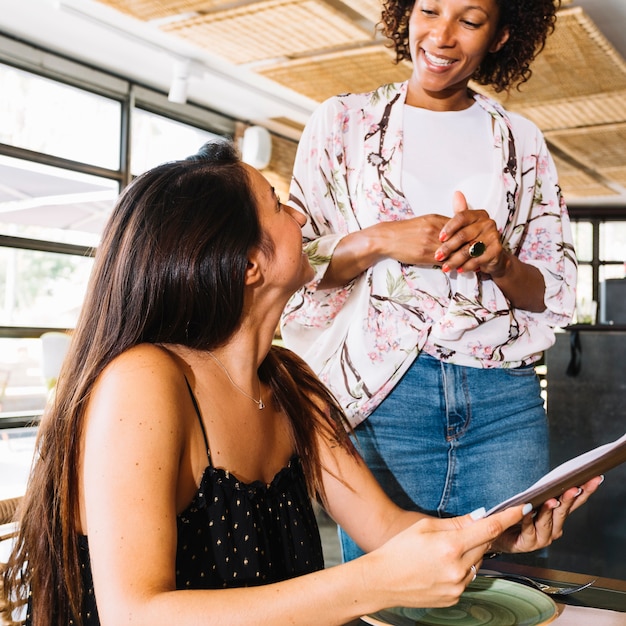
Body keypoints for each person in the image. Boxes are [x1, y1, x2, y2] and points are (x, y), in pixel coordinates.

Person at [0, 140, 598, 626]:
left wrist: (495, 535)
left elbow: (386, 529)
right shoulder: (146, 380)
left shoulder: (292, 385)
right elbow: (135, 615)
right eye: (278, 204)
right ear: (248, 263)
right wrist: (374, 581)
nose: (303, 216)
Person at [280, 0, 577, 562]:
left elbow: (552, 292)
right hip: (386, 392)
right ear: (405, 15)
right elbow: (293, 262)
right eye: (429, 10)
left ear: (500, 35)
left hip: (503, 400)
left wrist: (502, 262)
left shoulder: (522, 140)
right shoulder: (342, 122)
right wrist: (379, 240)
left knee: (505, 589)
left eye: (468, 20)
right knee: (390, 592)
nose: (441, 36)